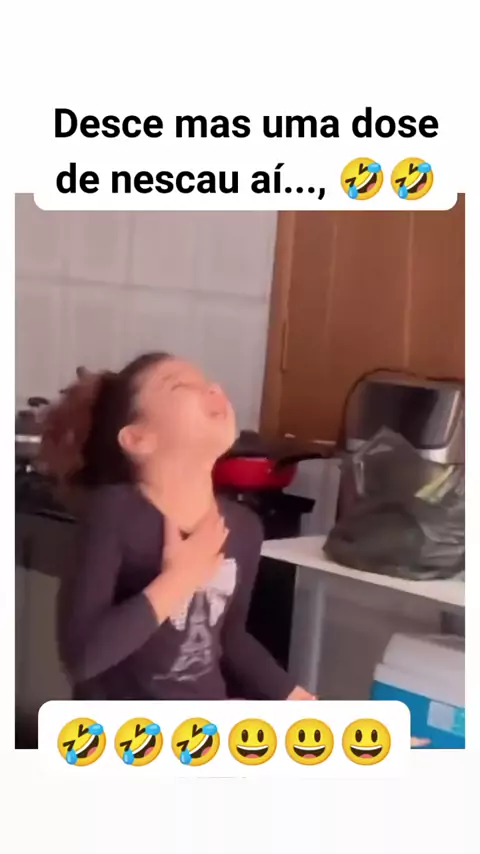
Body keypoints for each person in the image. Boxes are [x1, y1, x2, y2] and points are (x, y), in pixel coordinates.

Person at [40, 352, 314, 702]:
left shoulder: (244, 528)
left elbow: (230, 637)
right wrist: (179, 579)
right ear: (138, 439)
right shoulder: (113, 513)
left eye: (209, 383)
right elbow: (80, 658)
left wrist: (297, 699)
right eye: (180, 385)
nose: (214, 389)